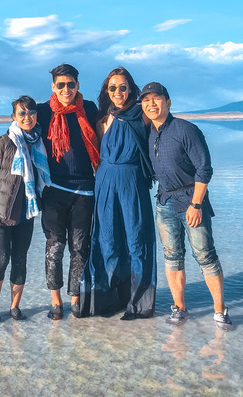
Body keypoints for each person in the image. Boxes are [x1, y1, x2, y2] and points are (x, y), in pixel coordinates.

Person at [0, 64, 100, 320]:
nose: (66, 89)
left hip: (85, 190)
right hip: (53, 191)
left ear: (77, 85)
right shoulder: (45, 110)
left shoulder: (89, 109)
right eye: (60, 85)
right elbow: (18, 129)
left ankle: (75, 299)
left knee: (80, 248)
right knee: (55, 247)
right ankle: (56, 301)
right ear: (53, 87)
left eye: (70, 84)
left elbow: (108, 127)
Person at [139, 82, 233, 330]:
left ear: (168, 102)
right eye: (146, 100)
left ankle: (220, 311)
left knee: (205, 255)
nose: (151, 104)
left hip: (191, 201)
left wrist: (196, 204)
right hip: (164, 202)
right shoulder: (149, 133)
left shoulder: (186, 130)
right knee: (172, 257)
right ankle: (180, 308)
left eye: (156, 99)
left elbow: (204, 169)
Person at [80, 67, 156, 320]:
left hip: (132, 180)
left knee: (136, 240)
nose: (118, 92)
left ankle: (138, 302)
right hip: (104, 182)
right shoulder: (103, 120)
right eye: (112, 88)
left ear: (131, 89)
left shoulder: (141, 115)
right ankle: (107, 299)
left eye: (123, 87)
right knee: (106, 239)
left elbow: (165, 133)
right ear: (106, 91)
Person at [0, 95, 51, 323]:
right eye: (22, 113)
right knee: (1, 257)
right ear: (14, 117)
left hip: (25, 213)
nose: (27, 117)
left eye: (30, 112)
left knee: (20, 259)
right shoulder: (5, 142)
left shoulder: (40, 141)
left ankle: (15, 307)